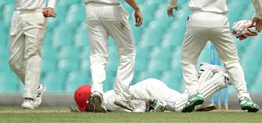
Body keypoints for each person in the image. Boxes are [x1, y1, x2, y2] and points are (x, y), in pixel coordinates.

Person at [167, 0, 262, 113]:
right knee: (232, 62)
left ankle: (194, 92)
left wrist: (172, 4)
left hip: (197, 18)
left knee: (188, 61)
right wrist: (258, 15)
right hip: (220, 20)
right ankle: (245, 97)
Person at [72, 0, 143, 112]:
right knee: (127, 52)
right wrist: (136, 7)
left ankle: (97, 90)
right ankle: (121, 95)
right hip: (111, 8)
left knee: (98, 55)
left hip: (92, 10)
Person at [0, 0, 59, 109]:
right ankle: (37, 88)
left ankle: (29, 98)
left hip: (37, 14)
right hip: (18, 14)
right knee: (13, 61)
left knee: (32, 55)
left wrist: (50, 6)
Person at [73, 63, 230, 112]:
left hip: (150, 90)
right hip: (149, 91)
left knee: (182, 106)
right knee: (189, 105)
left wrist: (151, 101)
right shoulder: (107, 106)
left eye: (87, 108)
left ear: (92, 102)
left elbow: (127, 95)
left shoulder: (106, 101)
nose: (88, 112)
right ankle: (206, 73)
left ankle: (219, 80)